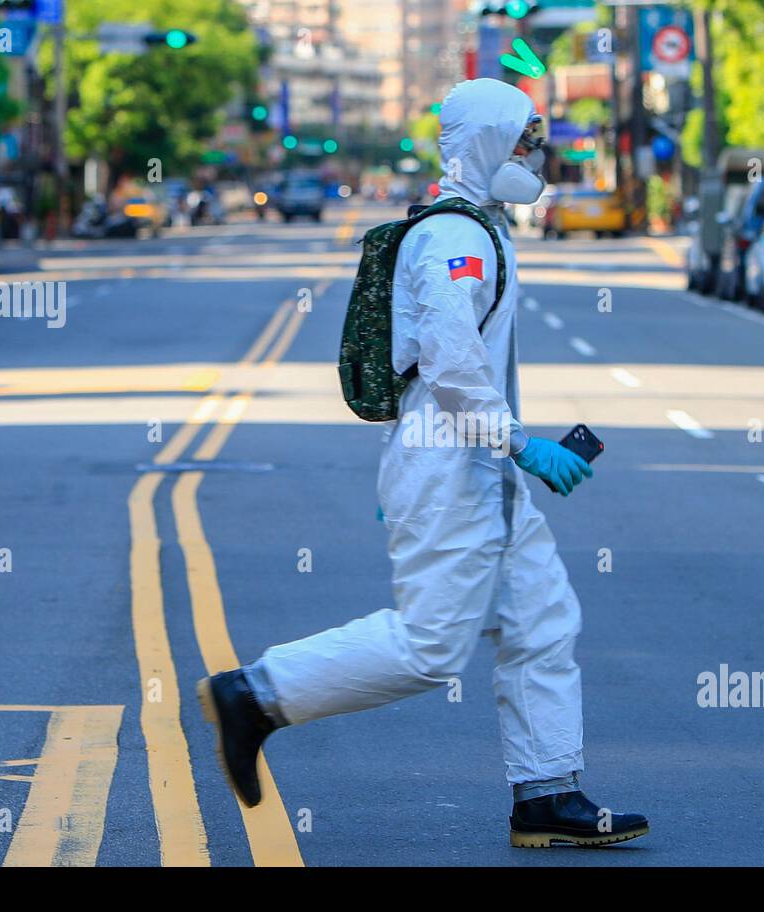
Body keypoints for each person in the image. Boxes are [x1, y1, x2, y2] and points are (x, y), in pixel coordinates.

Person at [199, 78, 648, 849]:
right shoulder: (454, 239)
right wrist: (522, 445)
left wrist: (507, 455)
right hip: (456, 462)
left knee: (541, 620)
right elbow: (449, 365)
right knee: (431, 646)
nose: (533, 157)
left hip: (473, 466)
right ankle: (256, 694)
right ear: (483, 145)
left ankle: (545, 791)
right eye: (521, 142)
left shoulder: (479, 226)